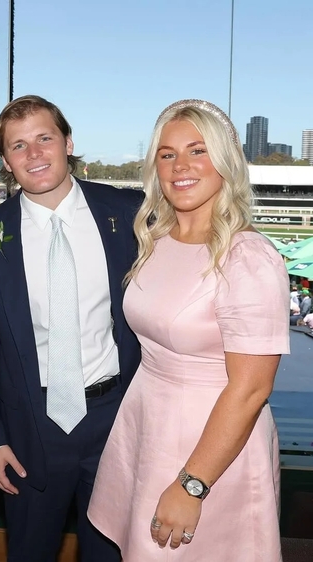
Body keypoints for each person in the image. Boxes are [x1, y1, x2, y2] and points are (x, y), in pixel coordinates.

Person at [87, 99, 289, 561]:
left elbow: (252, 389)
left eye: (197, 150)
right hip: (148, 425)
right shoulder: (156, 240)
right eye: (167, 153)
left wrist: (192, 485)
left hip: (211, 446)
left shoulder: (247, 257)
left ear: (225, 162)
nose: (181, 166)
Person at [0, 95, 143, 562]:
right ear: (6, 161)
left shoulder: (128, 213)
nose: (35, 154)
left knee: (109, 553)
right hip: (29, 427)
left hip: (116, 418)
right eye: (19, 146)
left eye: (45, 138)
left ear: (68, 142)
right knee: (29, 552)